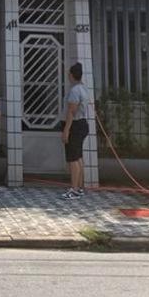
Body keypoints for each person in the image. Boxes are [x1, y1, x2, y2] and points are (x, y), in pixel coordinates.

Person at [61, 62, 90, 199]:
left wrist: (66, 130)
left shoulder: (74, 91)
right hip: (82, 123)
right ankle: (79, 187)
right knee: (78, 157)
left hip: (75, 125)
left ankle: (74, 189)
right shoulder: (84, 88)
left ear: (71, 75)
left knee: (73, 158)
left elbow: (71, 111)